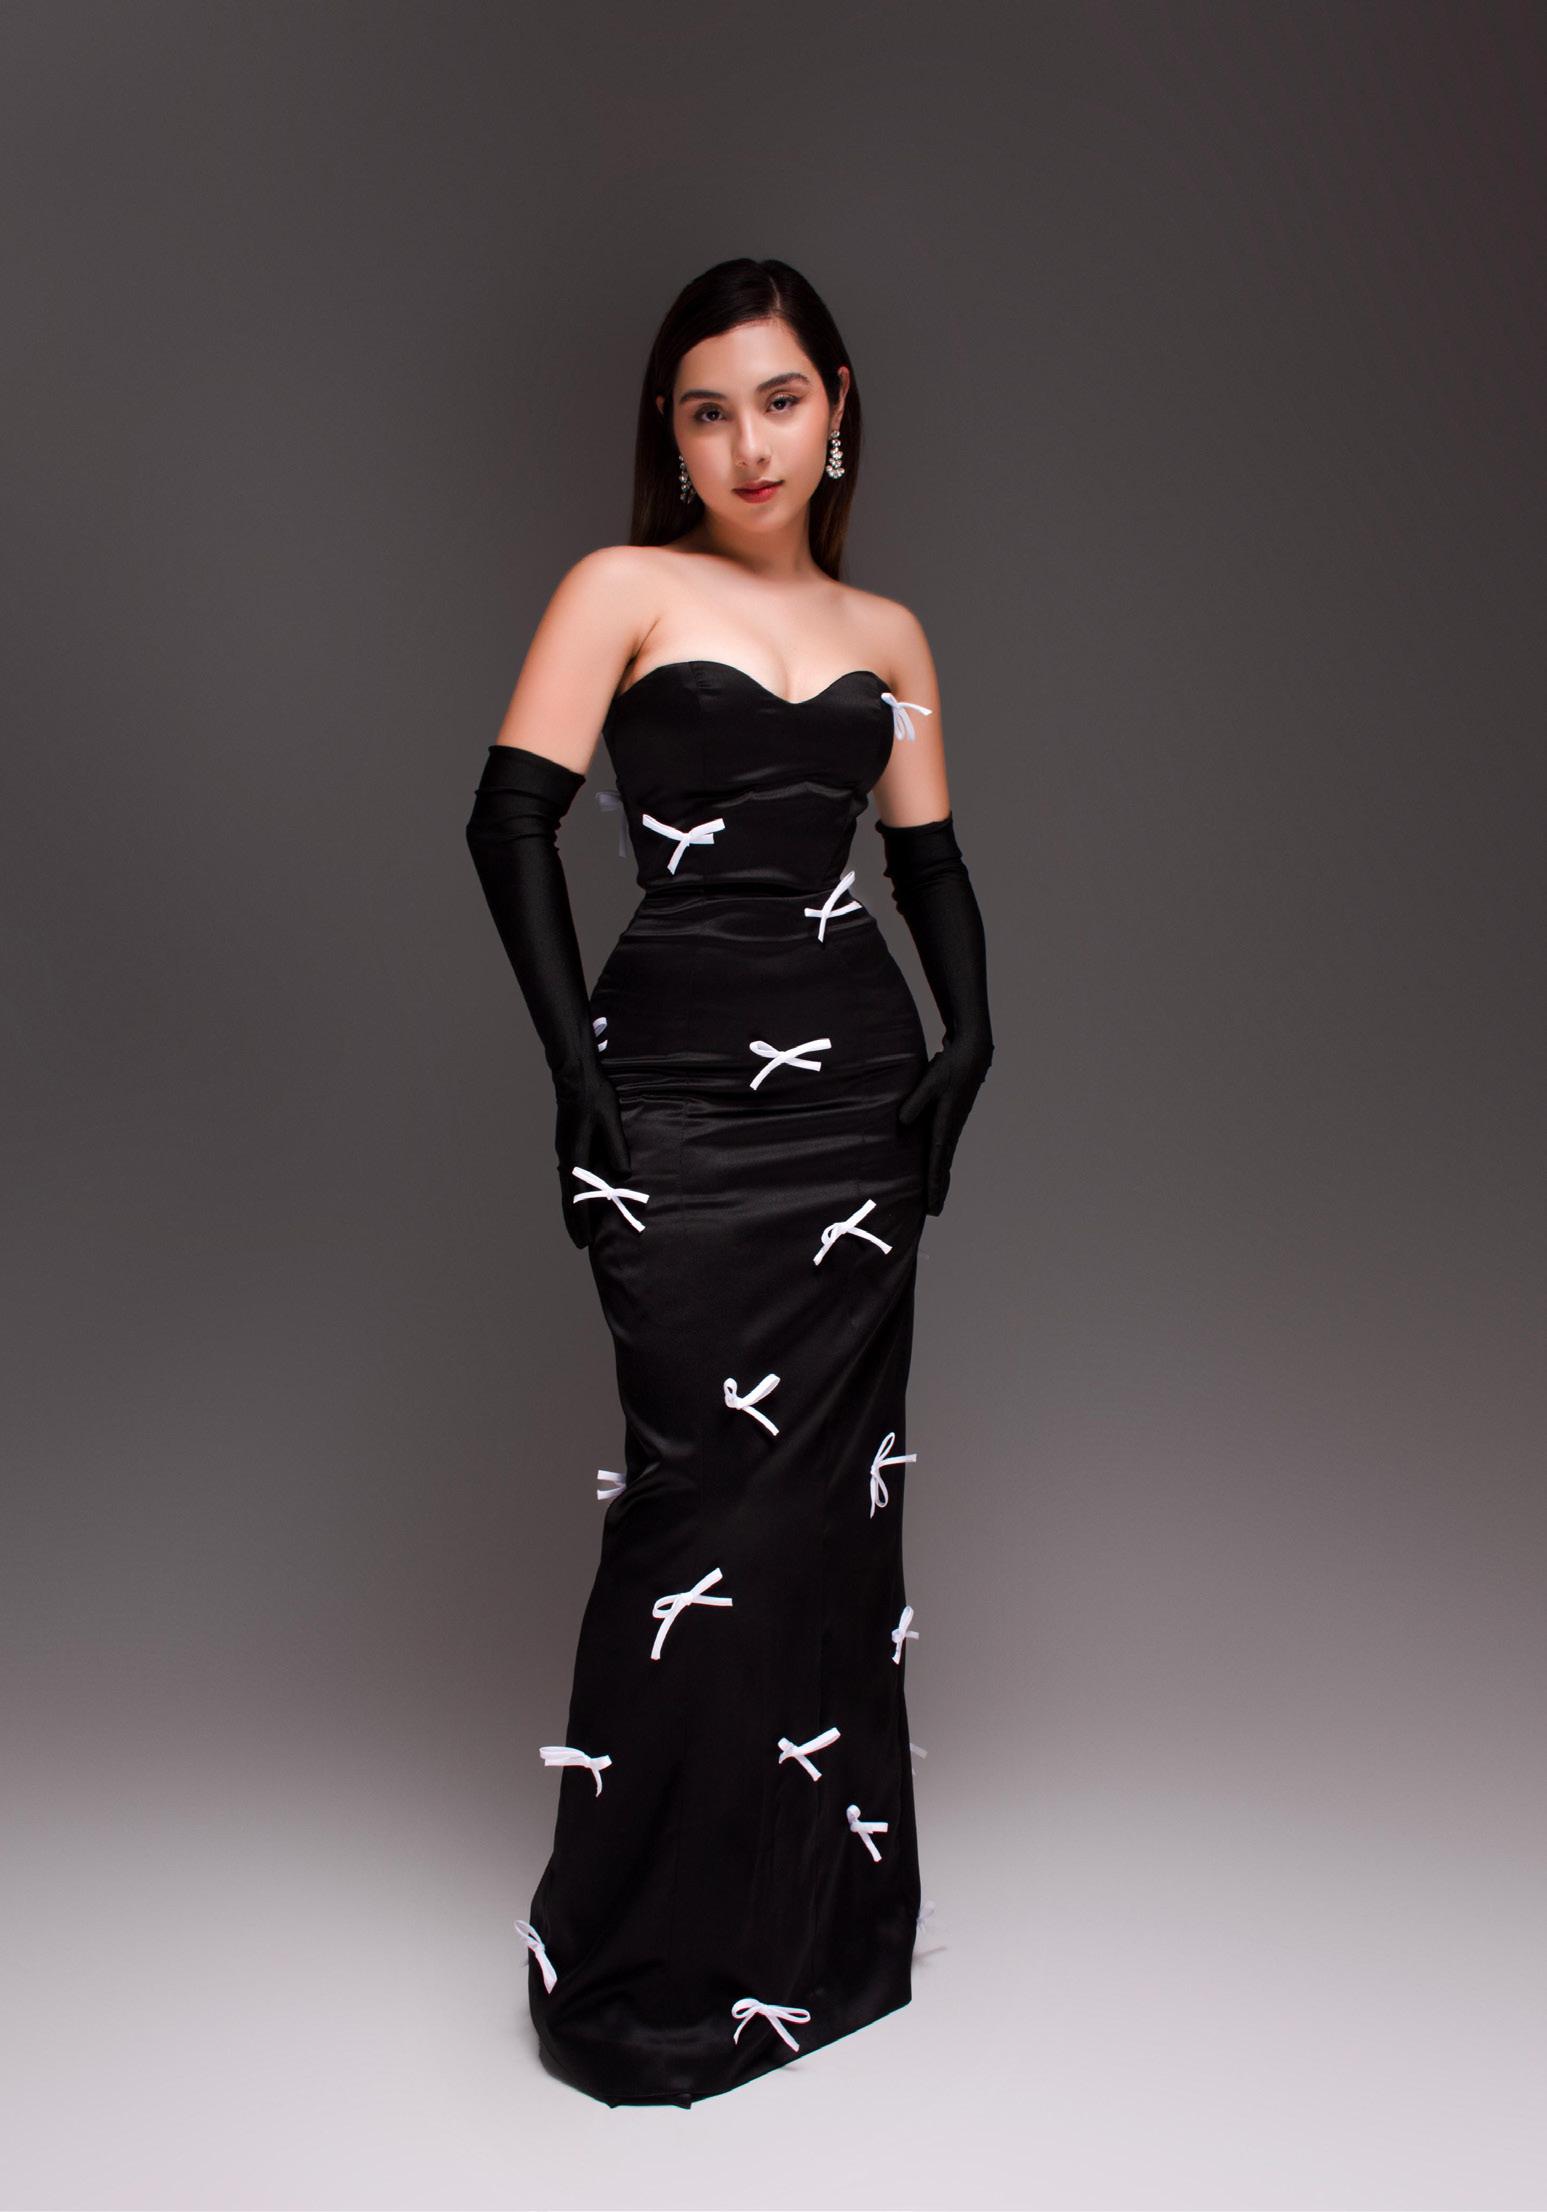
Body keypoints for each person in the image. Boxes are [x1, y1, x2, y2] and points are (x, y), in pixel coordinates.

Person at [464, 256, 993, 2107]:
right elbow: (508, 819)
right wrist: (574, 1070)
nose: (748, 442)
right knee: (696, 1497)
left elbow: (927, 863)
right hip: (677, 1092)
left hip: (854, 1098)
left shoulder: (892, 635)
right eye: (708, 410)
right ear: (671, 434)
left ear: (836, 407)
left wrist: (974, 1029)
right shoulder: (620, 589)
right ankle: (645, 1950)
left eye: (779, 399)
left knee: (833, 1505)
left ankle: (814, 1940)